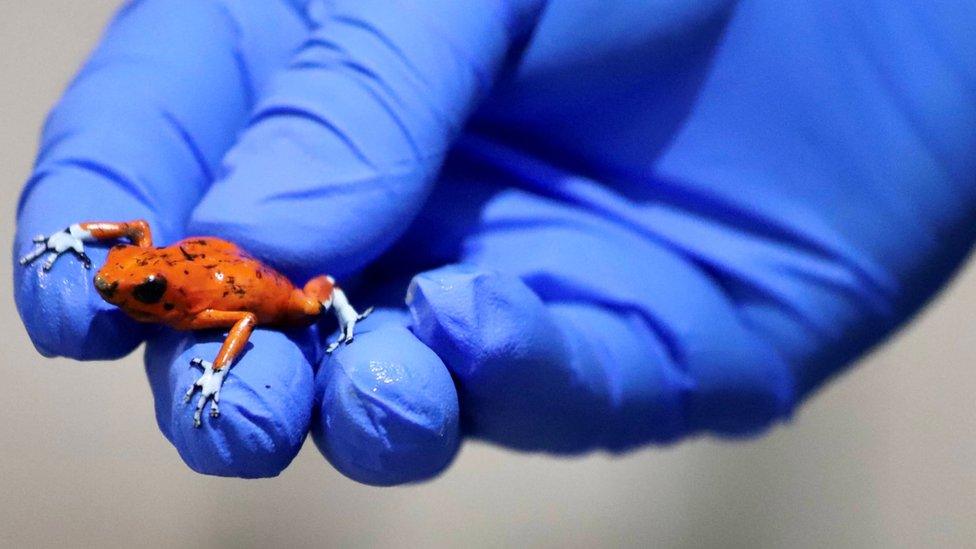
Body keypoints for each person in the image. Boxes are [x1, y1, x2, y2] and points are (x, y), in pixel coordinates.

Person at [13, 0, 976, 485]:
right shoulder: (147, 258)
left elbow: (232, 323)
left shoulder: (204, 300)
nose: (123, 284)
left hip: (267, 281)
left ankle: (345, 320)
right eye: (131, 283)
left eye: (136, 288)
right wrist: (90, 238)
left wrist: (233, 357)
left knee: (314, 297)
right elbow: (138, 235)